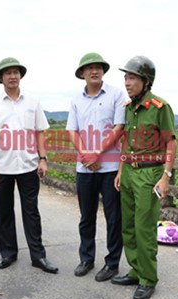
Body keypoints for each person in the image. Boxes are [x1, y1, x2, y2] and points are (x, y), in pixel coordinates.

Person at [0, 57, 58, 274]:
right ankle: (8, 253)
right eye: (8, 73)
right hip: (2, 168)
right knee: (4, 212)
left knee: (31, 212)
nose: (12, 76)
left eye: (16, 72)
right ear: (1, 78)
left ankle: (38, 256)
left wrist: (43, 159)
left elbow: (39, 132)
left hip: (28, 167)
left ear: (20, 76)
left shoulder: (32, 102)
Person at [112, 56, 177, 299]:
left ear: (146, 81)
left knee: (144, 228)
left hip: (150, 174)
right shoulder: (128, 108)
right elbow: (125, 142)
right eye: (126, 78)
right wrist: (120, 170)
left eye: (132, 78)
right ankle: (136, 270)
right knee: (127, 226)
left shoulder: (160, 108)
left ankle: (148, 279)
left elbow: (171, 142)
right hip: (128, 172)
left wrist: (166, 176)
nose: (127, 83)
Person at [66, 52, 126, 281]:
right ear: (82, 73)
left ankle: (112, 264)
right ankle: (86, 259)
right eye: (89, 68)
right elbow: (72, 130)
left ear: (103, 71)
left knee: (113, 218)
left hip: (110, 168)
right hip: (85, 169)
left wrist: (97, 153)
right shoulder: (76, 100)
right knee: (86, 216)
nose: (94, 71)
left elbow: (119, 127)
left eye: (98, 67)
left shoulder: (116, 95)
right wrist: (85, 154)